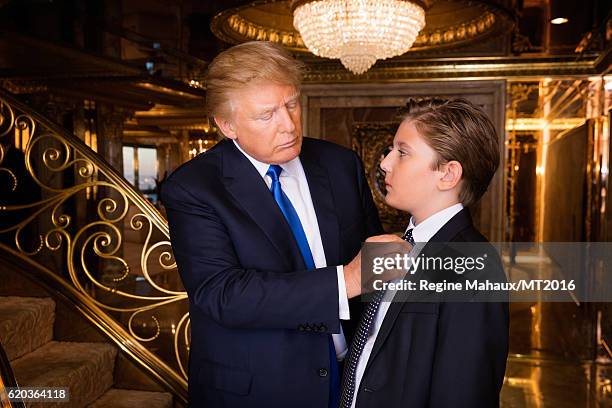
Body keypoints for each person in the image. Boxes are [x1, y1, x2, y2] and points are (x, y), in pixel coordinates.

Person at [160, 41, 401, 407]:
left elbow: (374, 270)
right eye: (266, 114)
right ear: (227, 125)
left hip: (355, 376)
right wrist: (348, 279)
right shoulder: (193, 188)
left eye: (291, 104)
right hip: (257, 390)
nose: (288, 125)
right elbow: (223, 294)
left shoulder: (340, 164)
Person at [340, 98, 509, 408]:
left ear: (447, 174)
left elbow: (463, 393)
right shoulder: (393, 243)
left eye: (402, 152)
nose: (385, 162)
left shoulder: (473, 267)